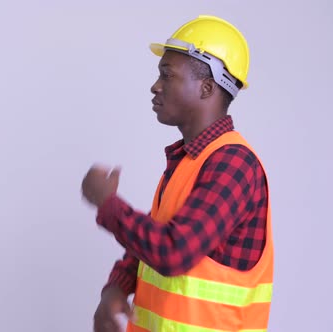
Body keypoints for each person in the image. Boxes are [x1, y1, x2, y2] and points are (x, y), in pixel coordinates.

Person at [81, 15, 274, 332]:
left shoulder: (234, 164)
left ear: (207, 87)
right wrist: (116, 287)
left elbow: (173, 251)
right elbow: (154, 242)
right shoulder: (190, 160)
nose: (155, 86)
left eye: (166, 75)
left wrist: (108, 203)